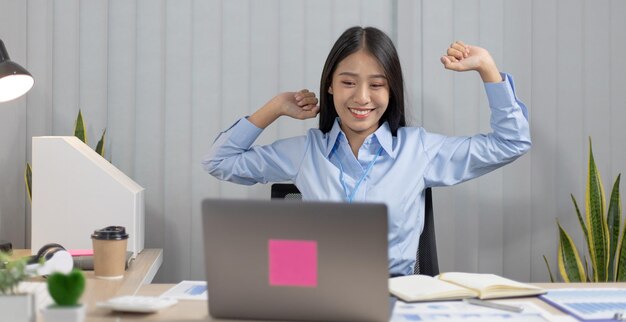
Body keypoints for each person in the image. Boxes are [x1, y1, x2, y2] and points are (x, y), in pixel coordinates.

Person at [203, 26, 531, 276]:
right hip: (319, 294)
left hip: (394, 299)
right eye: (348, 82)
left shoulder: (417, 150)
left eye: (376, 85)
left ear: (391, 91)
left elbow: (511, 142)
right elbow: (219, 161)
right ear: (329, 85)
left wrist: (487, 68)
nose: (362, 97)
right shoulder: (307, 151)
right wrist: (274, 107)